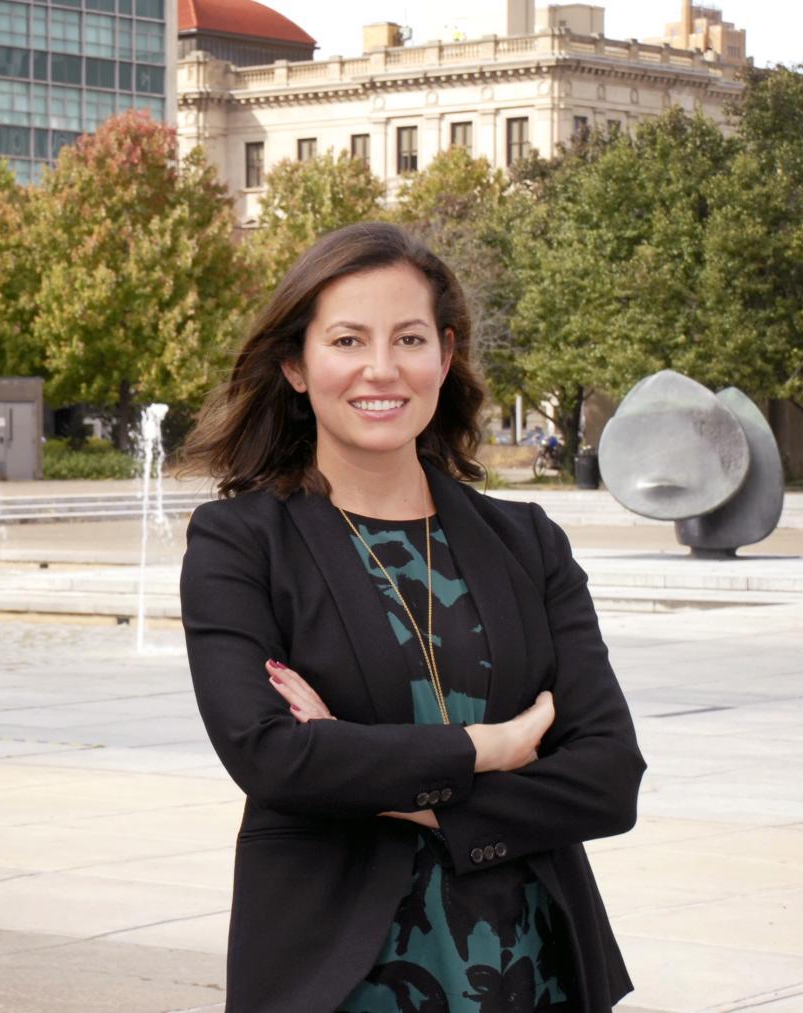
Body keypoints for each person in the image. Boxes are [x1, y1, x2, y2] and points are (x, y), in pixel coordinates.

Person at [177, 222, 644, 1013]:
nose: (381, 369)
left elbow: (608, 777)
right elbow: (271, 756)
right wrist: (488, 749)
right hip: (336, 979)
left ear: (446, 356)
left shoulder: (528, 541)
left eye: (410, 338)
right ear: (296, 363)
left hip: (535, 969)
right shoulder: (240, 542)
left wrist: (400, 788)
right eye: (349, 339)